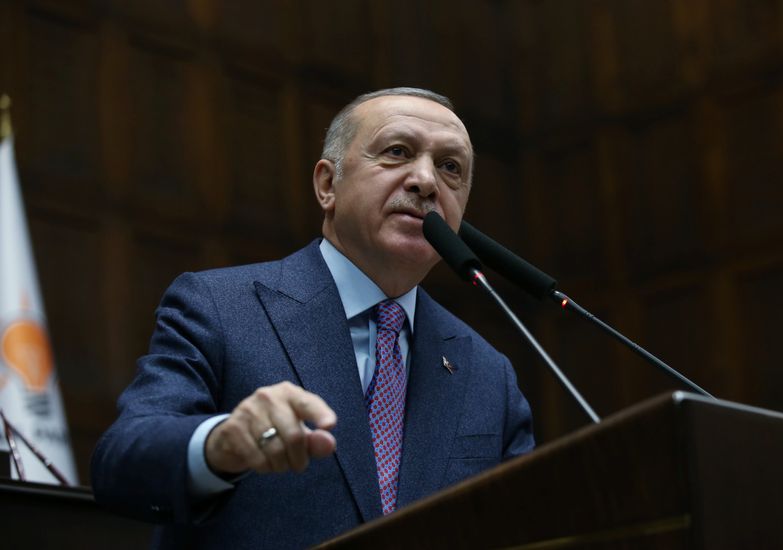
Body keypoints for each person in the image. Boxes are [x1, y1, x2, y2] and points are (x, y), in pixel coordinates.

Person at [91, 87, 534, 549]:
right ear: (328, 185)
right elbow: (121, 462)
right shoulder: (219, 307)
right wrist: (220, 444)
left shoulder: (489, 374)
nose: (426, 180)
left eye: (450, 168)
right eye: (397, 151)